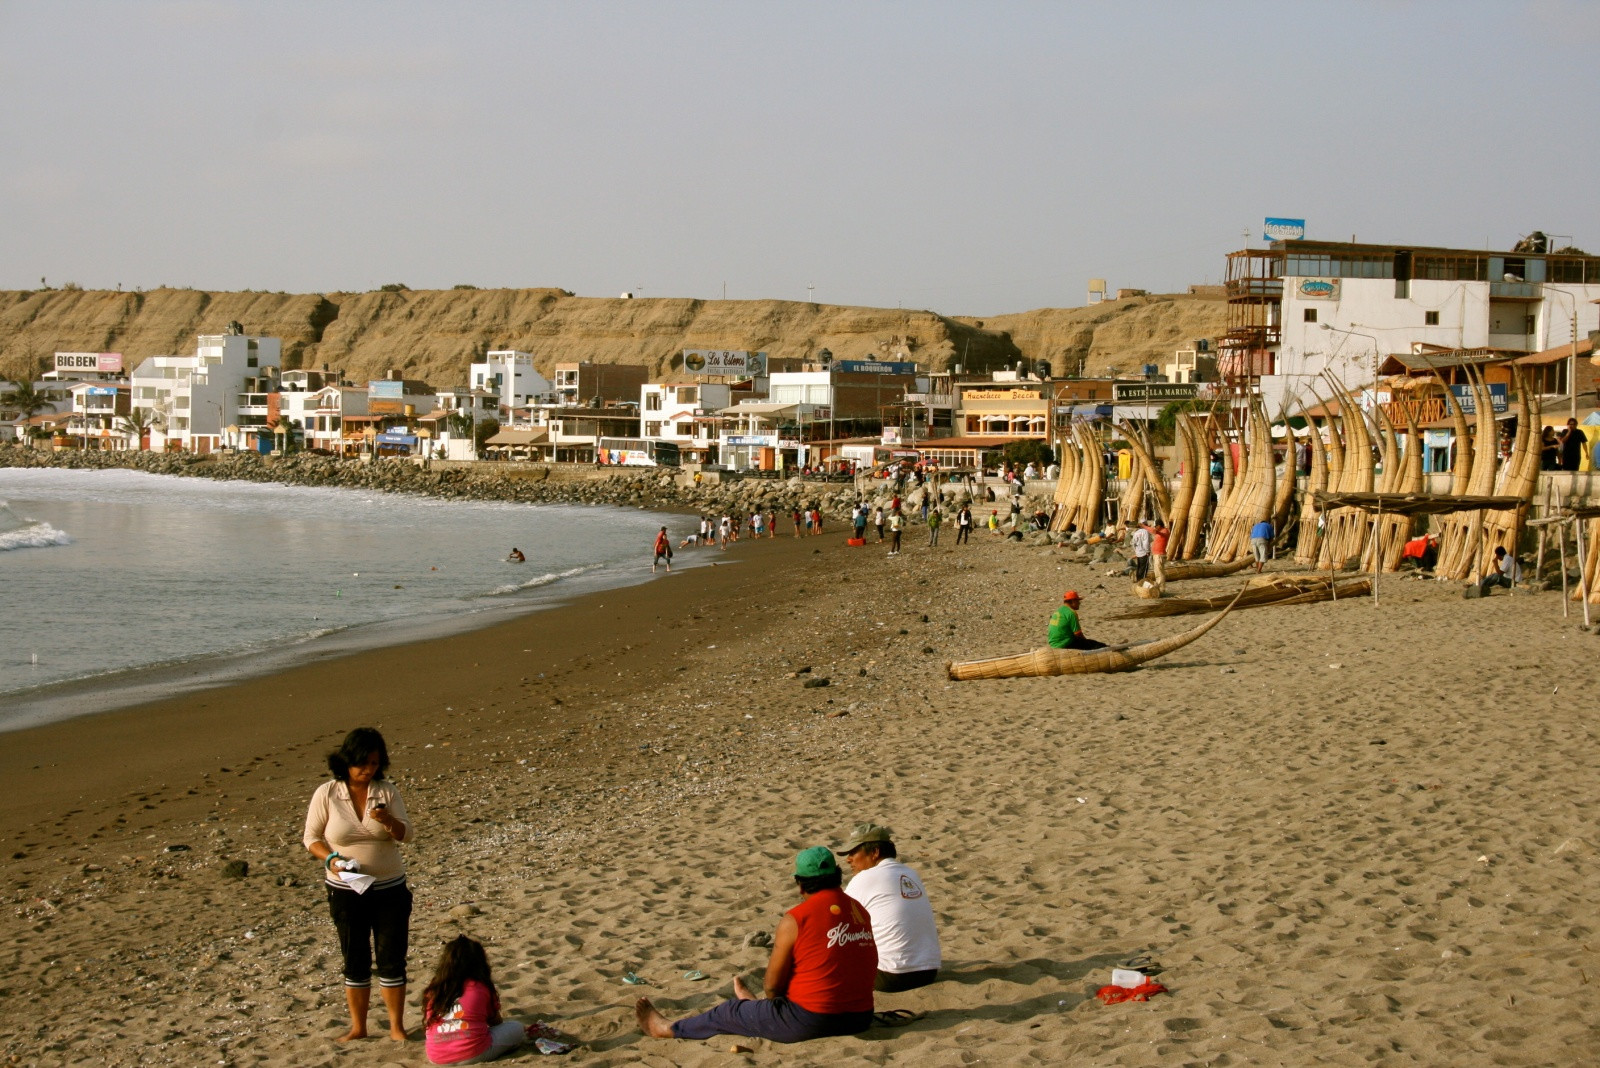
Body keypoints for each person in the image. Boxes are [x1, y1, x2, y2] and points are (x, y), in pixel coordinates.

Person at [635, 847, 876, 1044]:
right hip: (861, 1017)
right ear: (837, 876)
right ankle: (754, 1009)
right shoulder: (859, 910)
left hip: (813, 1021)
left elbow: (771, 987)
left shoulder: (797, 918)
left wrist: (773, 1005)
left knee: (728, 1012)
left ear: (800, 884)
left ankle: (666, 1028)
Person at [303, 728, 414, 1043]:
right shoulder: (327, 793)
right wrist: (331, 860)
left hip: (389, 887)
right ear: (346, 761)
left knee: (391, 956)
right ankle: (358, 1027)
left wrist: (387, 821)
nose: (369, 770)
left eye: (375, 763)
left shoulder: (387, 791)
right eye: (362, 764)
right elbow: (311, 838)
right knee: (355, 957)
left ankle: (396, 1027)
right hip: (346, 889)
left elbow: (407, 834)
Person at [838, 824, 940, 992]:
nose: (849, 859)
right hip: (927, 972)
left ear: (875, 852)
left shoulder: (866, 878)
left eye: (853, 852)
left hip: (891, 977)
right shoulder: (911, 873)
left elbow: (836, 923)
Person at [423, 936, 526, 1065]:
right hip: (473, 1053)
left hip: (436, 1057)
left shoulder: (435, 988)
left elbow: (428, 1022)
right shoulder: (479, 986)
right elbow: (495, 1021)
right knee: (516, 1028)